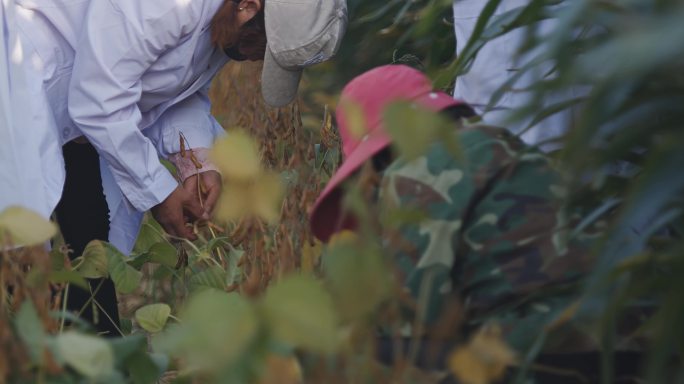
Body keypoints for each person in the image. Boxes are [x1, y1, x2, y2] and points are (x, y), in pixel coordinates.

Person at [2, 0, 347, 336]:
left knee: (90, 235)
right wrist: (160, 192)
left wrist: (196, 161)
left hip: (76, 108)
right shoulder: (165, 6)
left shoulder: (225, 21)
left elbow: (176, 89)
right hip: (24, 69)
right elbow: (99, 102)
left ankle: (90, 353)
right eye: (263, 47)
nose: (257, 59)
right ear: (249, 6)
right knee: (23, 240)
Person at [309, 65, 644, 382]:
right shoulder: (504, 144)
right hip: (631, 343)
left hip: (545, 355)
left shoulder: (416, 169)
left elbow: (412, 317)